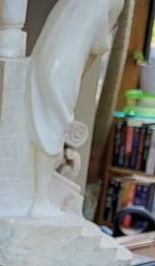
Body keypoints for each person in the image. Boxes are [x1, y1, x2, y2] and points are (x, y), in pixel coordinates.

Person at [27, 0, 124, 218]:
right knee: (51, 132)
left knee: (51, 130)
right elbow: (101, 43)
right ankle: (39, 199)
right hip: (64, 67)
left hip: (51, 62)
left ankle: (41, 198)